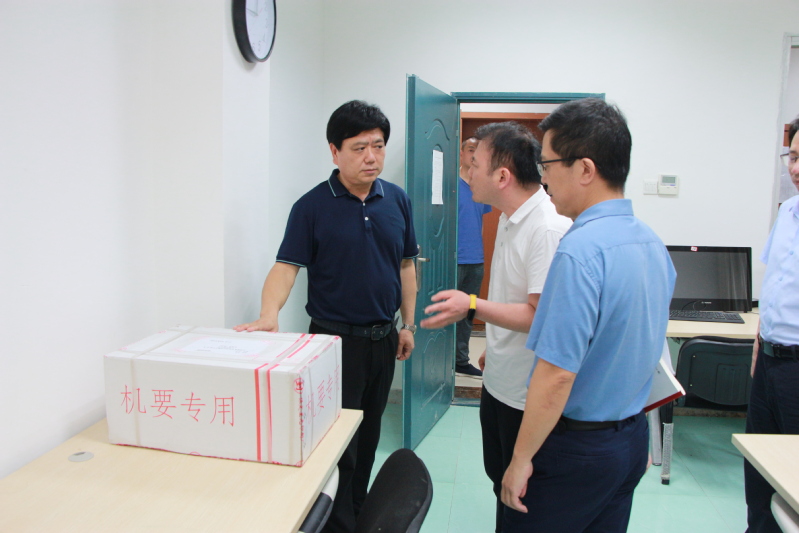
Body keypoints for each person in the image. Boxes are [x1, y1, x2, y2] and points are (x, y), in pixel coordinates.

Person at [234, 100, 418, 533]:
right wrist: (268, 314)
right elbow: (286, 267)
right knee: (335, 443)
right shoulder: (312, 206)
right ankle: (335, 522)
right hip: (333, 344)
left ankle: (358, 512)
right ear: (335, 151)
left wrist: (408, 325)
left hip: (383, 339)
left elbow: (406, 265)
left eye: (378, 146)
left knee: (369, 435)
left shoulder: (397, 199)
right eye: (359, 148)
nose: (371, 156)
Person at [499, 98, 676, 533]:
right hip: (629, 441)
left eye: (547, 165)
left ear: (584, 169)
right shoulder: (651, 243)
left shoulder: (579, 251)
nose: (543, 178)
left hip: (575, 450)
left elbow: (557, 375)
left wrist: (520, 459)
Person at [421, 121, 571, 532]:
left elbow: (542, 317)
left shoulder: (546, 228)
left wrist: (471, 304)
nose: (468, 172)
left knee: (526, 503)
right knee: (500, 485)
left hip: (527, 397)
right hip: (500, 382)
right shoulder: (509, 217)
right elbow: (517, 300)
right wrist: (498, 343)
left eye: (475, 165)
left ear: (502, 176)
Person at [744, 115, 799, 533]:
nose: (796, 167)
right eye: (793, 157)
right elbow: (775, 284)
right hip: (769, 359)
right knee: (759, 465)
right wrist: (759, 342)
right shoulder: (788, 211)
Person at [455, 136, 492, 377]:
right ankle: (438, 364)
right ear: (461, 154)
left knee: (468, 314)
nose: (473, 154)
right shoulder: (449, 185)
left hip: (475, 261)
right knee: (445, 313)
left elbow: (479, 223)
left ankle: (460, 360)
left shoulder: (481, 187)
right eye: (470, 149)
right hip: (452, 261)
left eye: (477, 150)